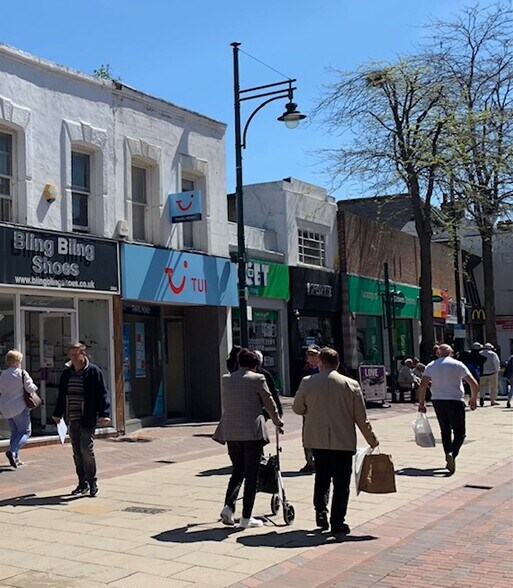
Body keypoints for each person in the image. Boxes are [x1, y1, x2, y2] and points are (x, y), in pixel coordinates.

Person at [292, 347, 379, 535]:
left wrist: (310, 409)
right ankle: (337, 521)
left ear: (320, 363)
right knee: (341, 483)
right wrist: (372, 439)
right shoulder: (351, 384)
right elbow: (361, 418)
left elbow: (297, 408)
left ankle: (320, 511)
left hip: (317, 439)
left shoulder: (308, 382)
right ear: (337, 364)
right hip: (343, 440)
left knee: (321, 477)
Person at [213, 348, 284, 529]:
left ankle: (229, 507)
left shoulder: (226, 379)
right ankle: (246, 517)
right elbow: (269, 402)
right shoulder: (258, 379)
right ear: (255, 365)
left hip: (231, 431)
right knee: (252, 474)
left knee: (237, 471)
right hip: (252, 432)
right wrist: (277, 421)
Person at [52, 342, 111, 497]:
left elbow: (102, 393)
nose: (72, 357)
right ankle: (82, 483)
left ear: (83, 354)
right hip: (72, 418)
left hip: (87, 416)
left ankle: (92, 481)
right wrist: (57, 414)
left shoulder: (94, 371)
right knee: (77, 452)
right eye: (71, 354)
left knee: (86, 449)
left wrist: (105, 414)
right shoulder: (67, 373)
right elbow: (61, 395)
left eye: (75, 354)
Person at [417, 344, 478, 474]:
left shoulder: (431, 366)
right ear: (451, 353)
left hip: (438, 400)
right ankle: (453, 452)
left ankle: (447, 454)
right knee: (459, 431)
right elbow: (473, 383)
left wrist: (421, 403)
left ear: (438, 353)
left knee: (445, 430)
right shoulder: (458, 364)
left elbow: (423, 385)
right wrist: (473, 399)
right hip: (455, 400)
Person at [0, 349, 38, 468]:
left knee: (15, 433)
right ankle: (12, 451)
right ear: (18, 361)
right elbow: (30, 388)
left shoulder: (3, 374)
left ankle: (16, 458)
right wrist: (35, 387)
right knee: (26, 431)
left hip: (6, 407)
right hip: (19, 407)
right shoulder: (21, 373)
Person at [299, 344, 320, 473]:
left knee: (319, 435)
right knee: (307, 435)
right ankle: (310, 461)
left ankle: (319, 461)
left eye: (313, 355)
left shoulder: (323, 369)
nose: (310, 357)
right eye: (309, 355)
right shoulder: (305, 369)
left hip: (321, 408)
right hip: (307, 408)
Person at [254, 350, 283, 419]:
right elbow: (273, 392)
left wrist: (279, 408)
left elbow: (273, 391)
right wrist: (279, 409)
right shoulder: (265, 374)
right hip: (260, 408)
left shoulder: (265, 374)